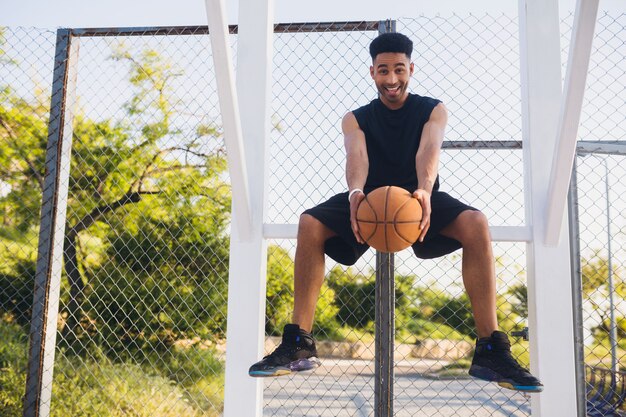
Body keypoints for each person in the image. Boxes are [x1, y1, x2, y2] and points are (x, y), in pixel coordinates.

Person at [249, 32, 543, 393]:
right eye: (383, 70)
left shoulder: (432, 109)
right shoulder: (355, 119)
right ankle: (298, 342)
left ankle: (491, 350)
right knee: (309, 222)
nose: (392, 79)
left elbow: (428, 151)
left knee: (476, 223)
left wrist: (424, 187)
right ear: (372, 72)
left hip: (417, 198)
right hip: (370, 201)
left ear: (411, 69)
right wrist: (356, 192)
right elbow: (357, 157)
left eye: (399, 69)